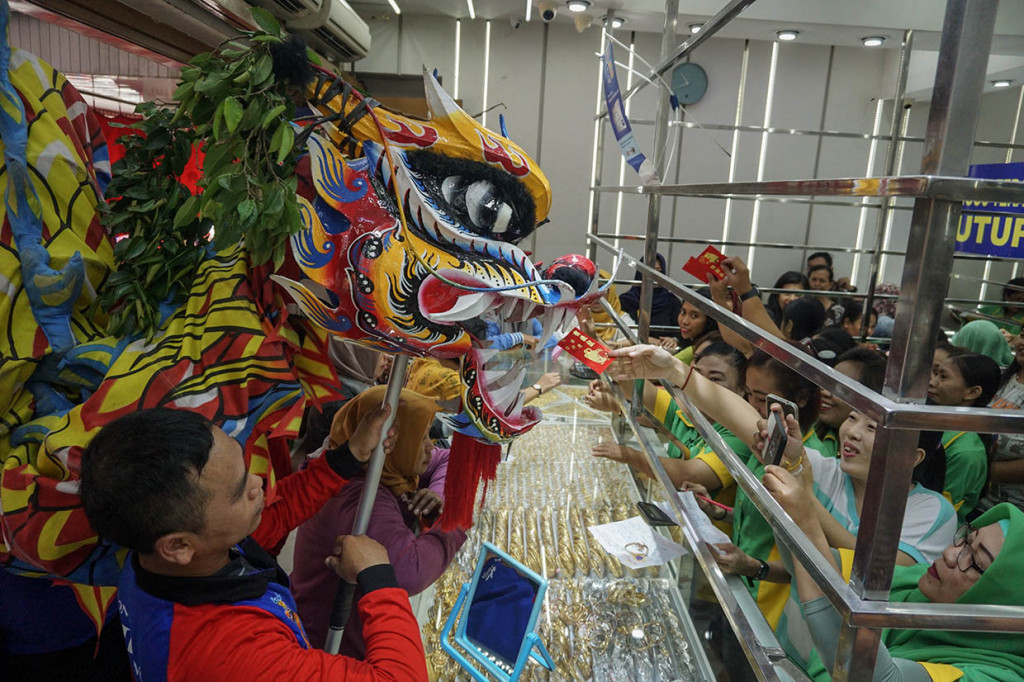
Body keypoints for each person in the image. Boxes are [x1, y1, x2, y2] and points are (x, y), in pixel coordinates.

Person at [78, 407, 428, 681]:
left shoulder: (167, 555)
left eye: (245, 468)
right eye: (238, 492)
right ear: (178, 546)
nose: (259, 484)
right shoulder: (233, 655)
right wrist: (378, 578)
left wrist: (349, 456)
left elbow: (273, 515)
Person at [606, 343, 822, 628]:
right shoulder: (766, 444)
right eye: (750, 396)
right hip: (740, 587)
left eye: (761, 399)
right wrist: (721, 514)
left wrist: (754, 566)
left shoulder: (805, 461)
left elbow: (815, 554)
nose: (754, 410)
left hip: (773, 610)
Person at [767, 466, 1024, 682]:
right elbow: (802, 562)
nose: (950, 554)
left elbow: (870, 676)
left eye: (975, 560)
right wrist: (788, 483)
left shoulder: (992, 675)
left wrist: (806, 523)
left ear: (1004, 601)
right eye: (966, 539)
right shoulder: (922, 582)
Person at [291, 387, 467, 653]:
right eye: (420, 438)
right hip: (328, 646)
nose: (431, 446)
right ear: (392, 441)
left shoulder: (374, 468)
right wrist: (453, 523)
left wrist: (437, 494)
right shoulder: (363, 500)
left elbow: (446, 458)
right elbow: (410, 571)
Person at [928, 351, 1001, 520]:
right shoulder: (935, 422)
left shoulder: (966, 453)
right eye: (935, 373)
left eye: (943, 377)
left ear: (972, 392)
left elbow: (940, 513)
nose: (932, 382)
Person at [813, 347, 887, 458]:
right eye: (827, 382)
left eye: (842, 389)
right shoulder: (802, 428)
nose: (825, 392)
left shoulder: (870, 459)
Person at [982, 328, 1024, 513]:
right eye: (1023, 335)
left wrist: (975, 470)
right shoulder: (1002, 379)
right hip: (979, 502)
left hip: (1014, 512)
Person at [619, 253, 682, 347]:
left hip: (664, 353)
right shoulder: (626, 300)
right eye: (648, 272)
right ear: (640, 273)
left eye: (658, 271)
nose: (653, 276)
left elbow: (681, 331)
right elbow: (622, 332)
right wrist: (647, 340)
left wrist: (674, 340)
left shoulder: (671, 301)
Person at [674, 287, 720, 364]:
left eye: (694, 316)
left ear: (710, 320)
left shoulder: (698, 351)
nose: (685, 321)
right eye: (683, 312)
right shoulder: (691, 342)